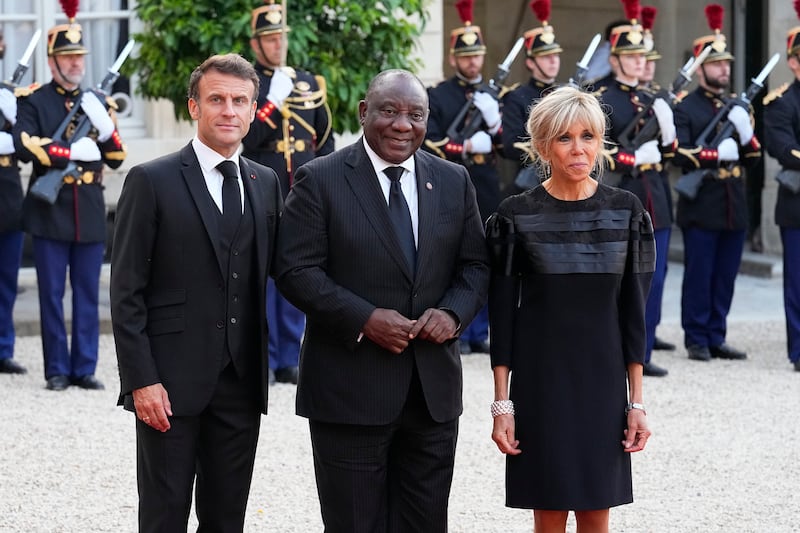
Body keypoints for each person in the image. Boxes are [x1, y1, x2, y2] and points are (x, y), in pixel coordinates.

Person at [275, 69, 490, 532]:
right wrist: (364, 318)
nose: (402, 124)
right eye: (389, 111)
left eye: (415, 114)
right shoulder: (321, 179)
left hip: (431, 393)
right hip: (350, 390)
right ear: (363, 112)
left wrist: (453, 314)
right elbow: (295, 270)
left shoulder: (453, 180)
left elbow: (476, 266)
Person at [110, 53, 282, 531]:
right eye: (217, 99)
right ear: (194, 106)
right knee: (164, 516)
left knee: (227, 519)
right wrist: (140, 380)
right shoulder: (151, 180)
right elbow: (126, 292)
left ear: (253, 111)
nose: (228, 110)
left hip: (241, 385)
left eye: (239, 101)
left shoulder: (265, 183)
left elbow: (283, 271)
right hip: (167, 385)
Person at [487, 85, 653, 533]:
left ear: (600, 142)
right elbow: (502, 317)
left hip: (601, 383)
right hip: (541, 381)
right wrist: (502, 404)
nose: (578, 149)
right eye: (564, 138)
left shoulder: (627, 211)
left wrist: (637, 402)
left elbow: (634, 315)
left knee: (597, 511)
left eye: (588, 136)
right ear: (543, 146)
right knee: (549, 510)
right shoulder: (514, 215)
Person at [12, 13, 126, 390]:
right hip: (50, 207)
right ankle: (57, 369)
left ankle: (85, 367)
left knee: (88, 294)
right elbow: (25, 142)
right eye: (68, 57)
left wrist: (106, 128)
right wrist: (68, 150)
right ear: (52, 61)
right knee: (50, 295)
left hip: (89, 207)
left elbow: (117, 157)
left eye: (80, 56)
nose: (76, 63)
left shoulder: (97, 102)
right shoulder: (34, 100)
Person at [242, 0, 334, 385]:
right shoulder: (248, 86)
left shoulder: (309, 83)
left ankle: (289, 356)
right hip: (263, 191)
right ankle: (262, 354)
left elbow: (323, 141)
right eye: (269, 38)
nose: (277, 44)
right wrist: (271, 101)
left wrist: (329, 189)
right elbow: (248, 140)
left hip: (302, 195)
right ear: (255, 43)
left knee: (296, 272)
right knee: (261, 276)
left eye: (280, 37)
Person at [671, 4, 760, 362]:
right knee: (701, 273)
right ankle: (696, 337)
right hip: (702, 202)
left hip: (732, 202)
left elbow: (753, 156)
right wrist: (714, 154)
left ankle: (716, 334)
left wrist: (745, 131)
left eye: (726, 64)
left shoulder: (736, 107)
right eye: (716, 63)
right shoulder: (685, 108)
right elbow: (678, 153)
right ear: (700, 68)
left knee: (725, 275)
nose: (724, 69)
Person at [598, 11, 673, 377]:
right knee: (617, 277)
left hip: (653, 197)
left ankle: (642, 352)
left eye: (642, 55)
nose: (639, 61)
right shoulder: (601, 97)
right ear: (615, 60)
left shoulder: (653, 99)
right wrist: (630, 157)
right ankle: (614, 349)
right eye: (631, 56)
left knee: (654, 277)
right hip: (620, 194)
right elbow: (596, 148)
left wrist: (669, 132)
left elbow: (671, 152)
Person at [424, 0, 499, 354]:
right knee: (451, 254)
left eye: (477, 55)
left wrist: (496, 124)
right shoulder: (438, 96)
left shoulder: (495, 96)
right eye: (466, 56)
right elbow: (433, 142)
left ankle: (479, 330)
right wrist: (467, 144)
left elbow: (514, 144)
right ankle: (455, 323)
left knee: (483, 256)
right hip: (451, 183)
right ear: (453, 58)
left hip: (485, 181)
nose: (473, 62)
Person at [763, 19, 800, 372]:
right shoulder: (782, 103)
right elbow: (783, 149)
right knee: (799, 282)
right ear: (793, 61)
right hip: (797, 206)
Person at [501, 0, 562, 194]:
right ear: (530, 63)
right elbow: (511, 145)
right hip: (531, 183)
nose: (553, 61)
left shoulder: (564, 94)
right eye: (545, 56)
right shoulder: (517, 96)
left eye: (555, 55)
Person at [0, 76, 31, 375]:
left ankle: (3, 349)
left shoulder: (13, 95)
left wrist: (14, 124)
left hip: (7, 199)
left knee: (6, 282)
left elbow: (32, 141)